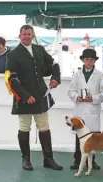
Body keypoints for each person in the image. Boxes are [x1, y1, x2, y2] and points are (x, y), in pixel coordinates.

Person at [5, 25, 62, 171]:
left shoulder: (39, 49)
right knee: (24, 127)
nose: (27, 36)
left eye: (29, 34)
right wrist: (25, 95)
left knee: (44, 127)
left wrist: (55, 77)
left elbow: (54, 63)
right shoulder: (13, 54)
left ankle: (48, 160)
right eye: (24, 34)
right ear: (20, 35)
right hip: (23, 97)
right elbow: (12, 78)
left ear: (33, 35)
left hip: (41, 95)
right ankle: (26, 160)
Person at [67, 48, 103, 170]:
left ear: (94, 61)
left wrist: (93, 98)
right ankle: (77, 160)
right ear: (83, 60)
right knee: (79, 135)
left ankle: (92, 161)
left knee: (93, 137)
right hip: (80, 108)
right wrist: (77, 97)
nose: (89, 62)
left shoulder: (100, 75)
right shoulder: (77, 74)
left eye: (91, 60)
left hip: (92, 109)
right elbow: (70, 91)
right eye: (86, 59)